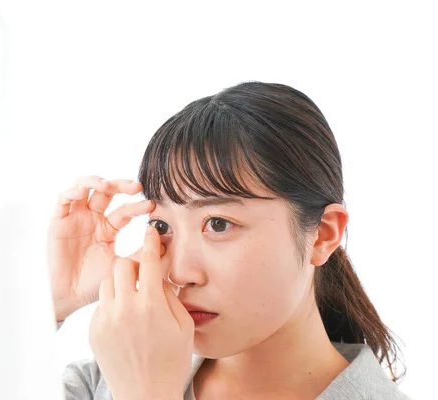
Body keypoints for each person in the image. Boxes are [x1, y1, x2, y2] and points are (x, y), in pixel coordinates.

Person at [48, 81, 411, 399]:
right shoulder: (103, 381)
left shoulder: (134, 383)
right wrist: (52, 300)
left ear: (323, 234)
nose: (179, 272)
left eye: (218, 224)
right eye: (161, 226)